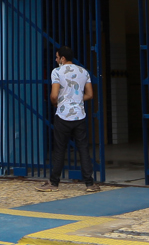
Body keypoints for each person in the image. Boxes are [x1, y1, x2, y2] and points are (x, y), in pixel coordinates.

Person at [37, 45, 100, 192]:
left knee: (59, 149)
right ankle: (90, 184)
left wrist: (57, 103)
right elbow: (90, 95)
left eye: (57, 57)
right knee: (83, 149)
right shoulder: (84, 72)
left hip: (63, 115)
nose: (56, 59)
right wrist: (76, 99)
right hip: (79, 116)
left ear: (63, 58)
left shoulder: (57, 72)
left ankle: (53, 183)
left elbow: (53, 95)